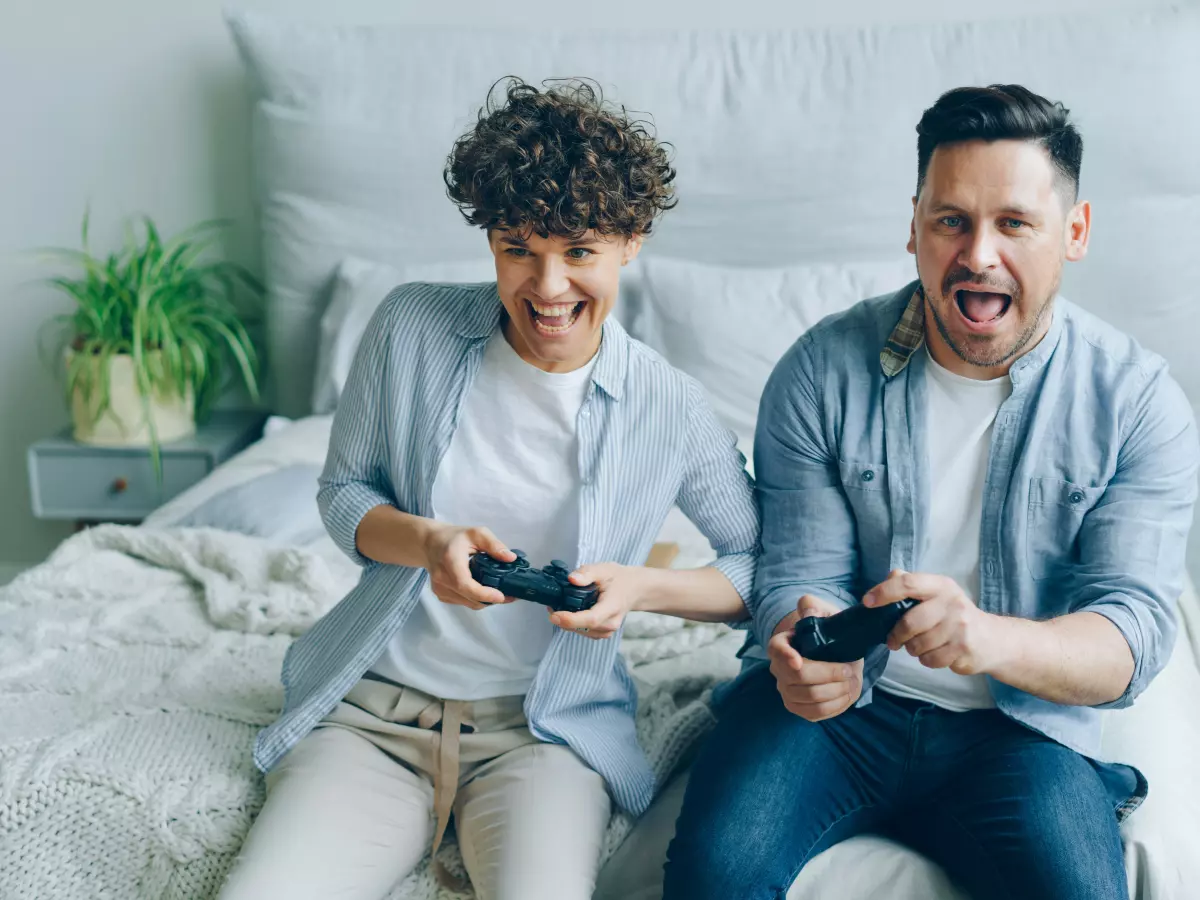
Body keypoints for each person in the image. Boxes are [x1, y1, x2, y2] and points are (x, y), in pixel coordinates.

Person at [216, 78, 758, 900]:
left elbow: (763, 566)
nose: (547, 287)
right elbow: (344, 493)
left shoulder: (669, 405)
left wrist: (640, 588)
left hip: (543, 737)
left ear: (632, 240)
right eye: (518, 248)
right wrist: (430, 544)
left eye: (579, 251)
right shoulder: (409, 329)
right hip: (372, 717)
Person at [663, 84, 1199, 900]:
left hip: (1019, 730)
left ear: (1074, 233)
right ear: (913, 225)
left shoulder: (1138, 403)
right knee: (712, 875)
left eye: (1014, 223)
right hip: (839, 718)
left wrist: (987, 639)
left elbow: (1130, 635)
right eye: (952, 220)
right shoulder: (819, 371)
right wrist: (802, 645)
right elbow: (796, 570)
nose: (979, 254)